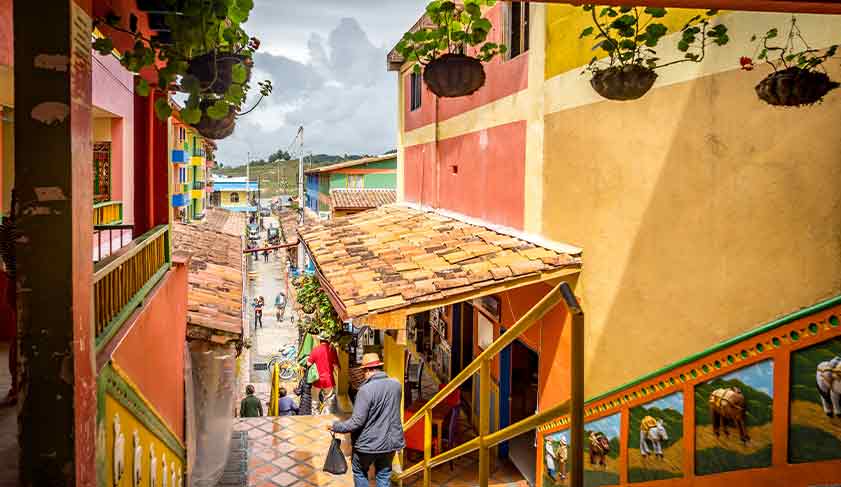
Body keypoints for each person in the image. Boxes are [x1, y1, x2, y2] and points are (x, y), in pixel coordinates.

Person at [328, 353, 405, 487]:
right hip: (390, 443)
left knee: (359, 471)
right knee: (383, 475)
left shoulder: (365, 390)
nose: (363, 375)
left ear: (368, 370)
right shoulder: (396, 385)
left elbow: (357, 422)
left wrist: (336, 426)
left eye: (363, 371)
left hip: (367, 445)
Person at [307, 332, 340, 415]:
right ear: (328, 340)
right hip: (329, 380)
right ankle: (326, 418)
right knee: (329, 402)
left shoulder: (315, 349)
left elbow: (308, 364)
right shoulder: (332, 350)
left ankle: (315, 417)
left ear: (320, 340)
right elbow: (336, 365)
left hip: (317, 380)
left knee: (315, 400)